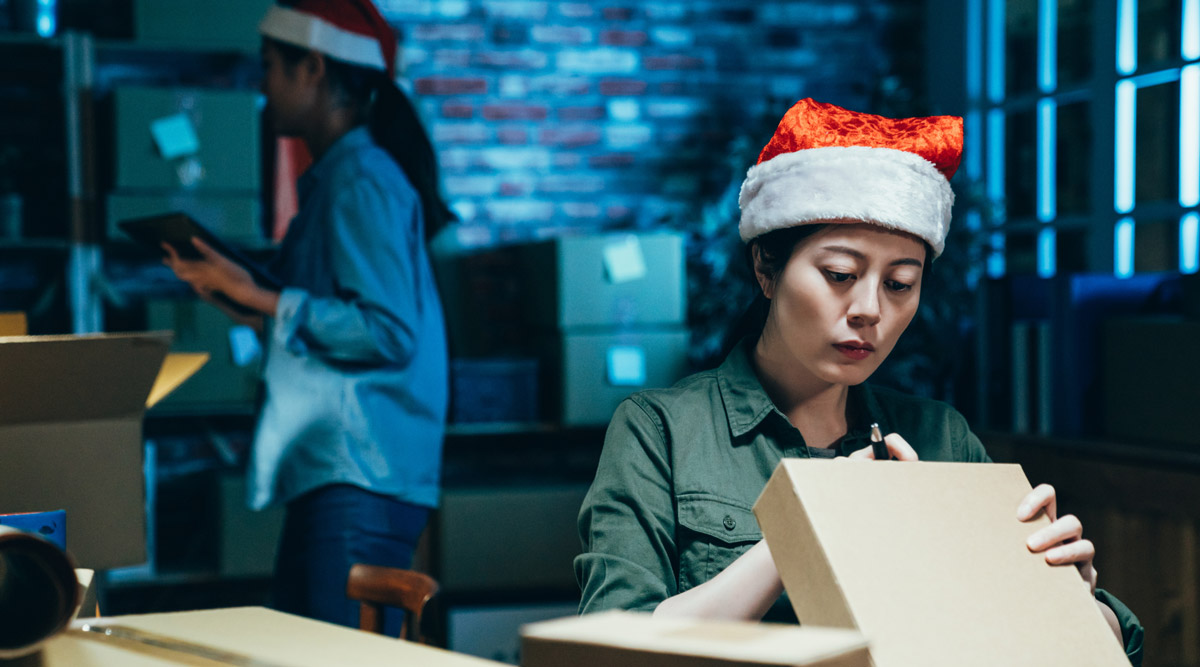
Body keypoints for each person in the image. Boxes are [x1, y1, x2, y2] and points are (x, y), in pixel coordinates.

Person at [575, 98, 1143, 664]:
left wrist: (1073, 598)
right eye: (840, 275)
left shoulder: (941, 438)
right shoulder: (663, 430)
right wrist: (811, 525)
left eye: (899, 284)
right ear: (766, 270)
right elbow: (610, 650)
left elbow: (1082, 651)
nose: (869, 309)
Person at [162, 0, 449, 632]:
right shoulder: (341, 178)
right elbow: (331, 319)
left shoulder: (362, 179)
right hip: (345, 473)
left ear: (313, 68)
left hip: (359, 475)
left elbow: (387, 331)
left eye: (270, 66)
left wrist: (262, 298)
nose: (261, 87)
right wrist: (237, 291)